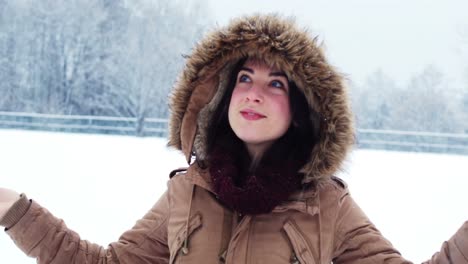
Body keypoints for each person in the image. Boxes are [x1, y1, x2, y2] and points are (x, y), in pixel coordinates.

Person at [0, 14, 467, 264]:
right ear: (222, 95)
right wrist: (12, 207)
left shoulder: (327, 206)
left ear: (301, 111)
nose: (254, 93)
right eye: (244, 77)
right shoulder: (187, 191)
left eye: (276, 83)